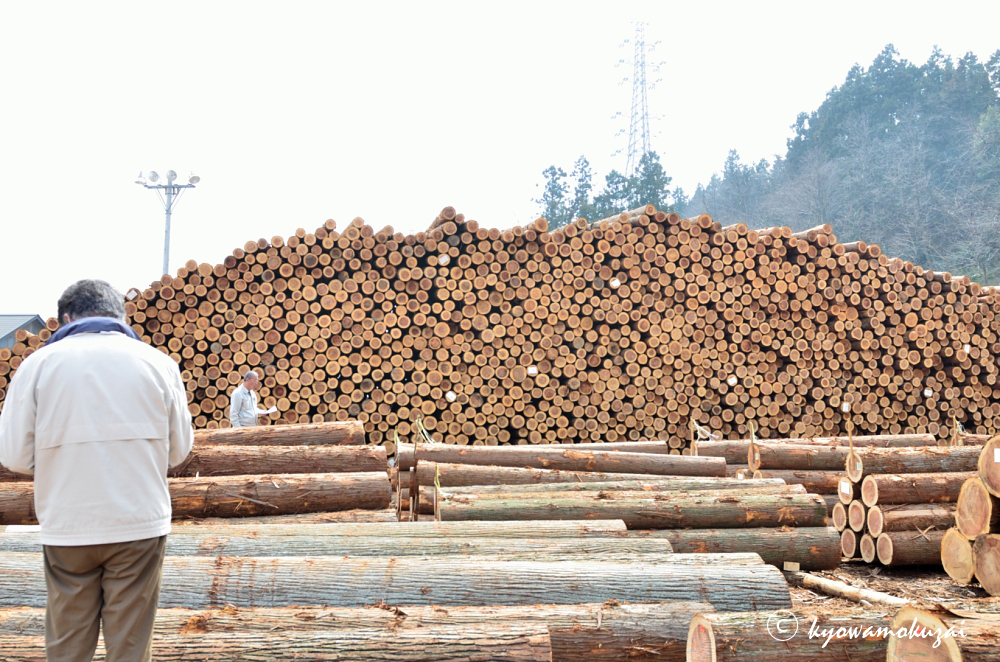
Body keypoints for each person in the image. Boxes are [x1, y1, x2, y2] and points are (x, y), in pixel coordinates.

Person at [0, 279, 193, 662]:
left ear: (66, 318)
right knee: (130, 647)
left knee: (68, 645)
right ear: (120, 316)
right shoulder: (158, 362)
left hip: (69, 524)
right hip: (139, 523)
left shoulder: (37, 365)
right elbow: (179, 451)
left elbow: (14, 456)